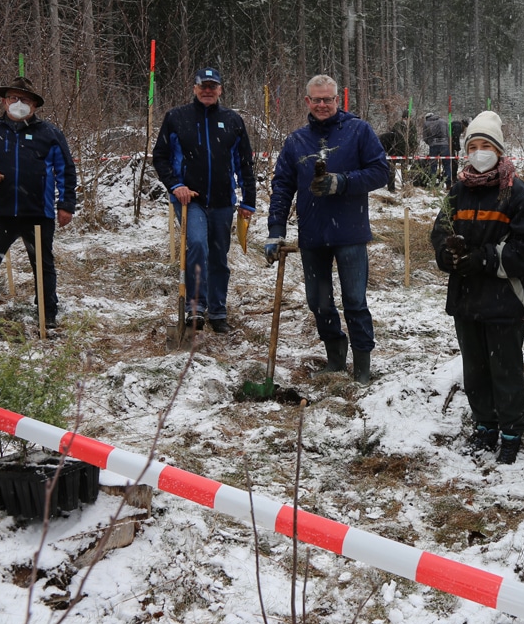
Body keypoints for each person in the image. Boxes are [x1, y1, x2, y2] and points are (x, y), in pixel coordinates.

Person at [431, 111, 524, 465]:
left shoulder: (517, 194)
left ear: (499, 150)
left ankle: (512, 431)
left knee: (505, 368)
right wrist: (446, 255)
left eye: (486, 146)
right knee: (475, 369)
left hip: (505, 300)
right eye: (473, 146)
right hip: (466, 300)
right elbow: (439, 231)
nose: (479, 153)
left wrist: (484, 260)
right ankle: (484, 427)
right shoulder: (458, 191)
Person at [265, 75, 389, 385]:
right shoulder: (296, 142)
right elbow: (282, 185)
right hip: (313, 235)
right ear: (307, 102)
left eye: (328, 99)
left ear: (338, 101)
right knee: (318, 302)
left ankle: (362, 365)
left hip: (350, 232)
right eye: (316, 99)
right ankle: (335, 357)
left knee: (355, 302)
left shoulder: (358, 131)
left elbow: (380, 171)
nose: (322, 104)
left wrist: (343, 182)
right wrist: (276, 228)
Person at [0, 76, 76, 330]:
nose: (18, 103)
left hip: (38, 214)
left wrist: (66, 204)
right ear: (4, 101)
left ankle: (47, 313)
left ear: (34, 106)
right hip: (0, 213)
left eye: (25, 100)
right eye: (13, 98)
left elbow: (66, 169)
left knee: (42, 265)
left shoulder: (50, 134)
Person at [153, 67, 256, 333]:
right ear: (195, 88)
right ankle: (195, 307)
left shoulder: (232, 120)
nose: (208, 91)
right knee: (197, 244)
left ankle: (218, 310)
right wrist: (176, 185)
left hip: (223, 200)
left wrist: (248, 202)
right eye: (203, 86)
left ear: (221, 90)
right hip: (190, 200)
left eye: (213, 86)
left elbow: (244, 163)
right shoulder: (177, 118)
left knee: (219, 255)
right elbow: (161, 157)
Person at [383, 109, 417, 192]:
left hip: (395, 149)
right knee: (404, 168)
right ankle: (404, 186)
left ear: (402, 117)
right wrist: (412, 148)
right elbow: (413, 139)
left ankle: (391, 188)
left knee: (392, 168)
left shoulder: (397, 125)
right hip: (405, 150)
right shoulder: (411, 126)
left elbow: (392, 136)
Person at [422, 112, 450, 186]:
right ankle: (448, 184)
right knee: (447, 165)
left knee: (433, 165)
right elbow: (448, 134)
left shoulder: (426, 123)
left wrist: (430, 142)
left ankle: (433, 183)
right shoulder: (443, 121)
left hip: (433, 145)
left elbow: (425, 137)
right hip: (444, 144)